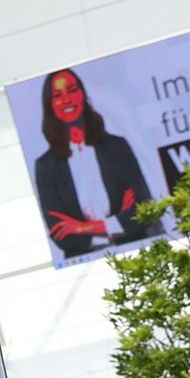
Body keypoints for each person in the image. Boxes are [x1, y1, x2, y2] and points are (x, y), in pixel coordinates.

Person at [32, 66, 159, 258]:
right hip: (85, 262)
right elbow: (62, 237)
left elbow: (144, 209)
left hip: (139, 250)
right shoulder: (46, 166)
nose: (66, 99)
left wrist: (82, 228)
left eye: (72, 90)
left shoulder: (116, 147)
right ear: (50, 104)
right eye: (58, 95)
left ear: (83, 95)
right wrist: (118, 223)